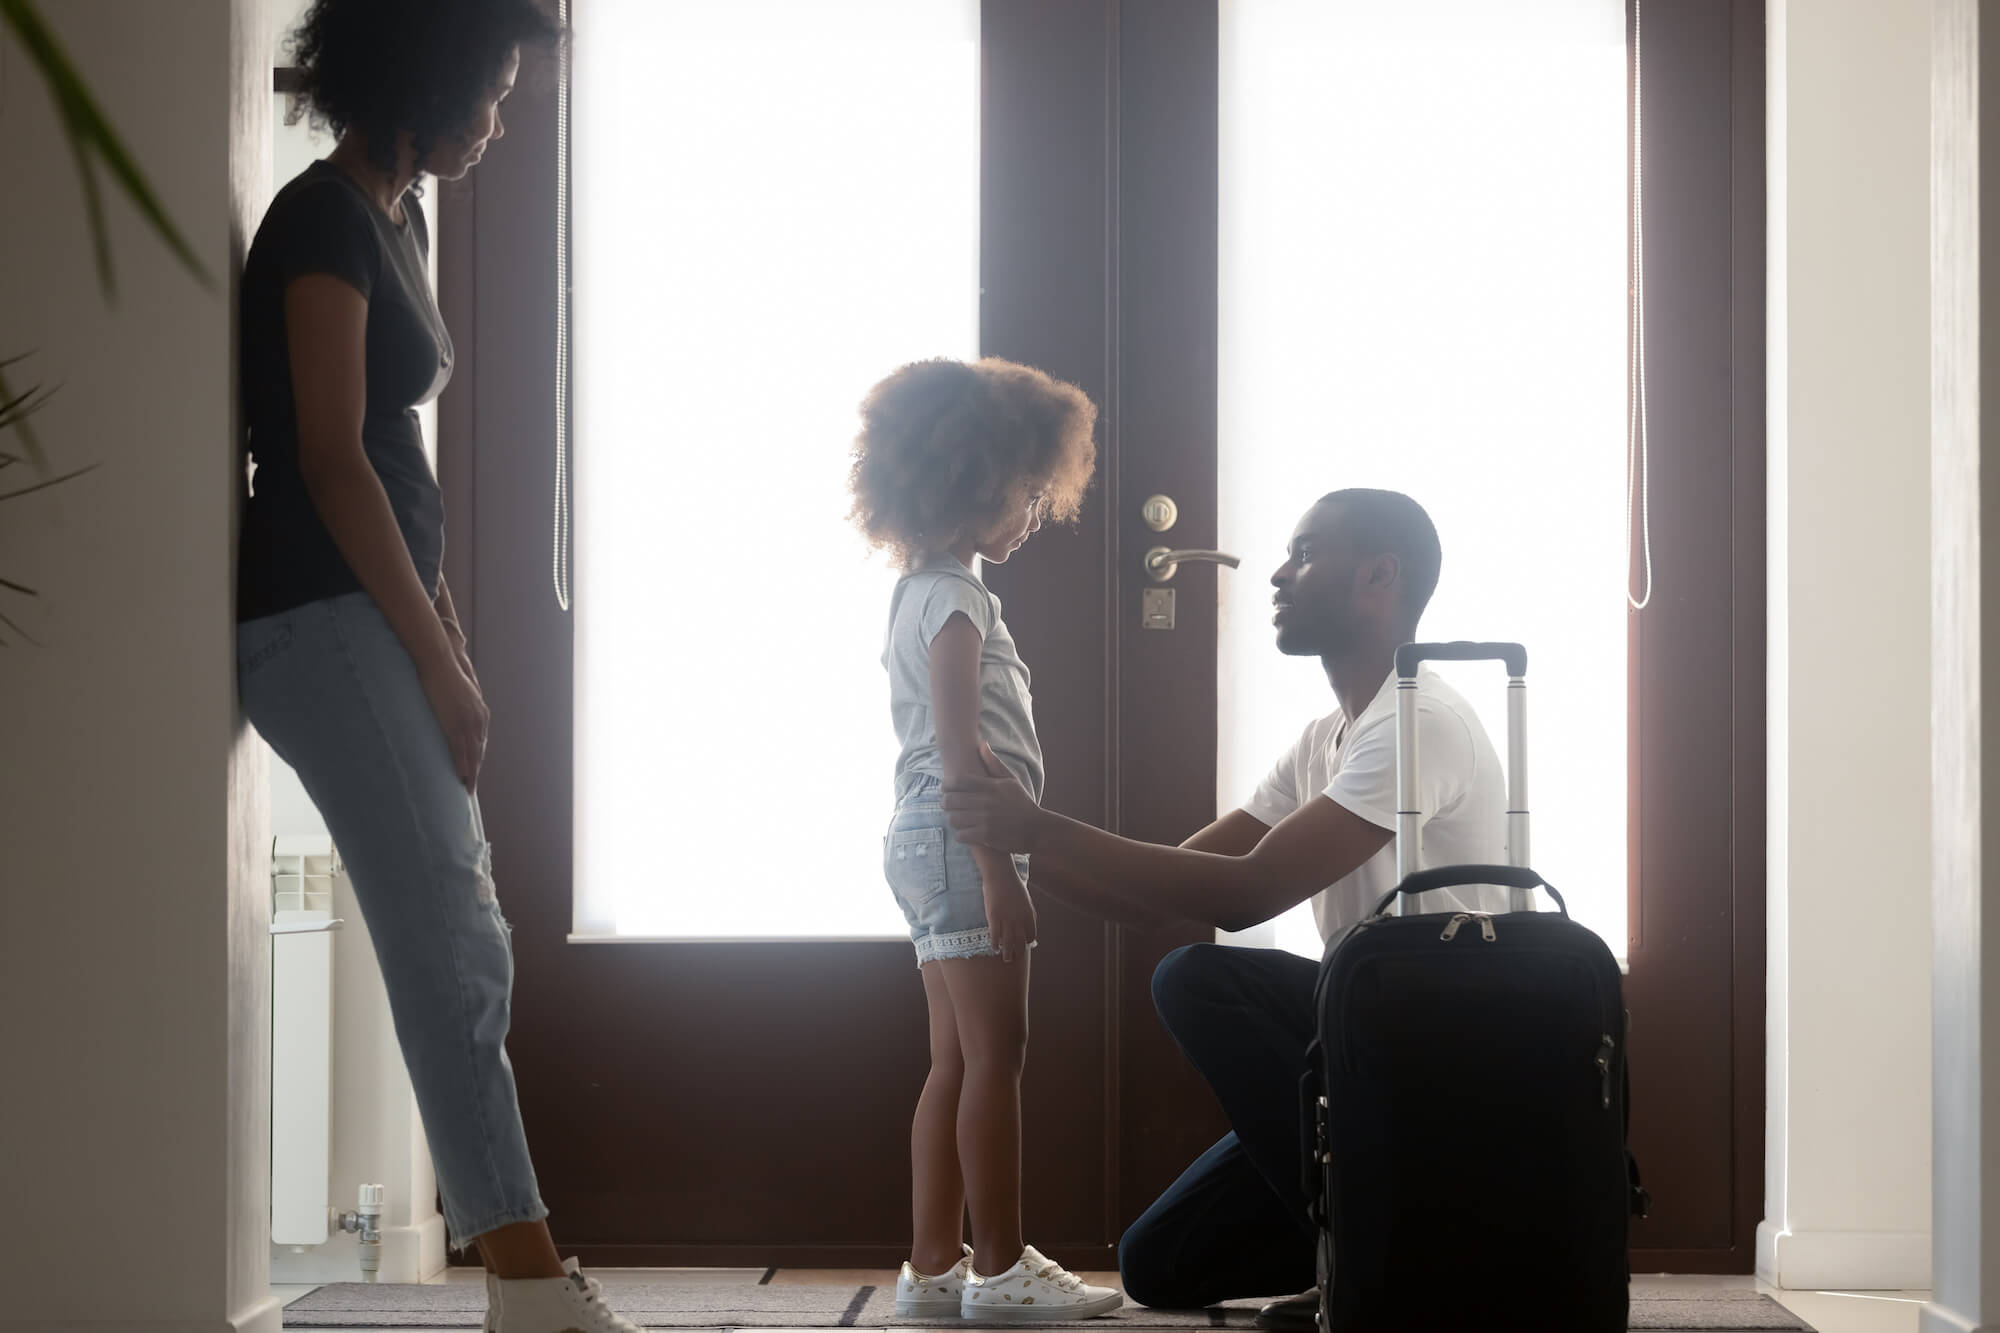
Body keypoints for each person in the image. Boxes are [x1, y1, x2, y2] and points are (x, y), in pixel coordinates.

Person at [235, 4, 642, 1330]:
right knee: (454, 943)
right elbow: (330, 455)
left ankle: (524, 1270)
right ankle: (526, 1280)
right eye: (492, 94)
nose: (500, 119)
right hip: (317, 616)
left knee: (471, 939)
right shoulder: (318, 221)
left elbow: (401, 479)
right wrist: (435, 657)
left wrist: (451, 642)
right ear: (424, 84)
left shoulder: (397, 217)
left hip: (378, 613)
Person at [940, 489, 1507, 1322]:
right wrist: (1009, 849)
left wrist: (1037, 826)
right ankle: (1367, 1231)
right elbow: (1154, 892)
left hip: (1438, 1053)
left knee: (1196, 978)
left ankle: (1376, 1260)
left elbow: (1246, 894)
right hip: (1365, 1053)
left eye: (1306, 554)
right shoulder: (1325, 738)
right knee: (1156, 1263)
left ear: (1379, 576)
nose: (1277, 574)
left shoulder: (1417, 721)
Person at [847, 357, 1124, 1321]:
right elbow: (966, 757)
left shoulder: (916, 593)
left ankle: (932, 1270)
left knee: (954, 1059)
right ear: (970, 486)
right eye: (1026, 493)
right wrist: (1001, 874)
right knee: (997, 1055)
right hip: (960, 836)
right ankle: (1000, 1269)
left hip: (917, 837)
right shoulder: (960, 601)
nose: (1036, 511)